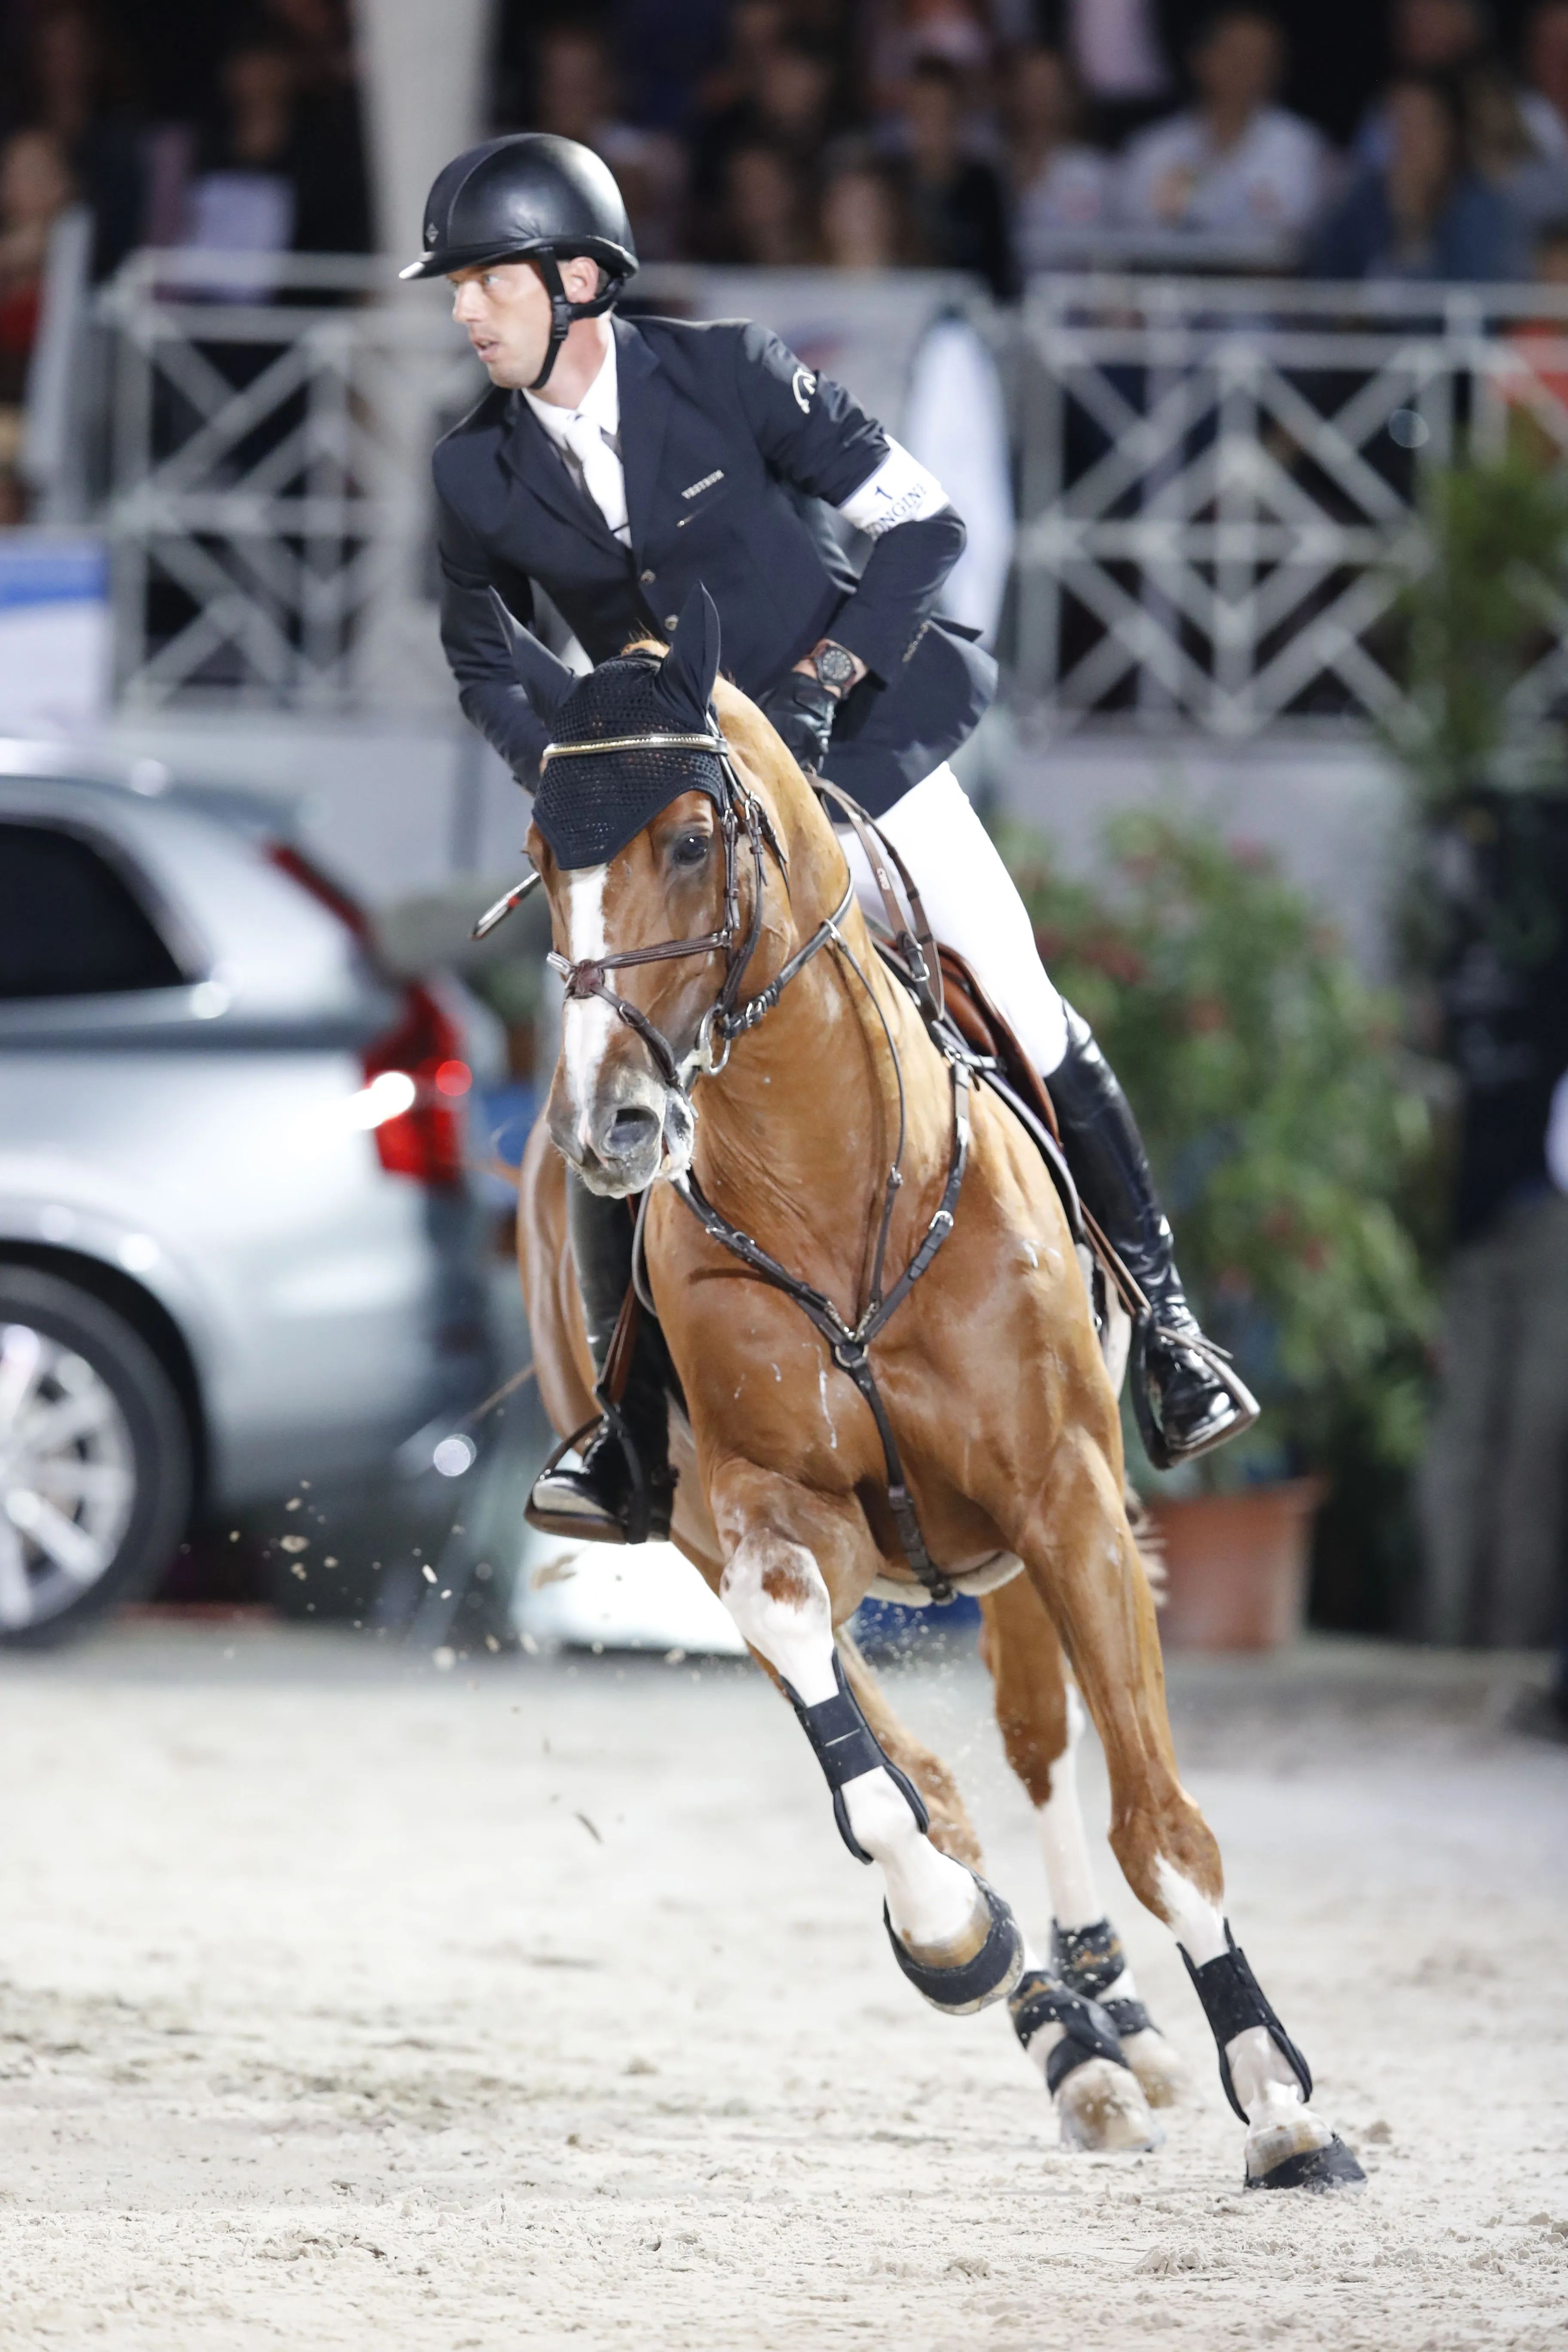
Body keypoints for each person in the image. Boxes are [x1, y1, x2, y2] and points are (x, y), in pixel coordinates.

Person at [412, 132, 1257, 1541]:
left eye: (485, 281)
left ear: (574, 280)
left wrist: (819, 684)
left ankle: (1167, 1333)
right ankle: (623, 1435)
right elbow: (482, 660)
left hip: (855, 743)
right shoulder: (474, 472)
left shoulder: (732, 372)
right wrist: (571, 777)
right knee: (600, 1071)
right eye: (455, 288)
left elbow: (920, 531)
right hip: (671, 801)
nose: (461, 310)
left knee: (1014, 984)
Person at [1118, 9, 1329, 241]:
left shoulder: (1301, 145)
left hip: (1271, 277)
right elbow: (1135, 226)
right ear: (1201, 60)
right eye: (1235, 54)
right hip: (1172, 273)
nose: (1247, 68)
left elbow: (1303, 229)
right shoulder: (1154, 146)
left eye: (1261, 58)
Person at [1306, 69, 1528, 278]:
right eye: (1396, 123)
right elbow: (1325, 285)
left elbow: (1470, 300)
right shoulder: (1362, 200)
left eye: (1418, 124)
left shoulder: (1482, 208)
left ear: (1449, 134)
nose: (1406, 139)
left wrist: (1414, 229)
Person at [897, 56, 1019, 298]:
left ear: (960, 116)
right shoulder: (890, 184)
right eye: (923, 112)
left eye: (944, 112)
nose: (933, 124)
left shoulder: (984, 184)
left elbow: (999, 268)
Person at [1005, 45, 1115, 267]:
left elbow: (1089, 248)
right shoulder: (990, 162)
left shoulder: (1092, 170)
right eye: (1030, 84)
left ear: (1070, 96)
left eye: (1049, 86)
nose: (1039, 96)